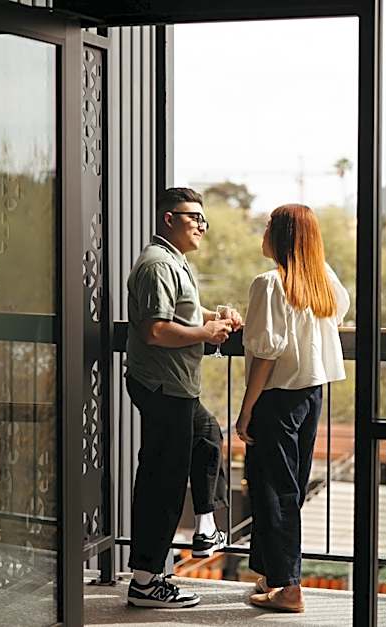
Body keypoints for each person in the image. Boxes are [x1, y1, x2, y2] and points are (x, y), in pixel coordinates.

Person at [125, 187, 243, 608]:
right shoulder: (158, 265)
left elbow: (182, 314)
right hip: (164, 388)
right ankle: (145, 581)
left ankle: (206, 526)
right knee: (163, 482)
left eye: (203, 219)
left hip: (177, 388)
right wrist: (205, 333)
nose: (202, 226)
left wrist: (215, 317)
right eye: (194, 217)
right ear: (168, 219)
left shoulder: (175, 261)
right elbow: (156, 330)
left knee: (208, 435)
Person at [236, 203, 349, 613]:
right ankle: (274, 576)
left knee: (272, 489)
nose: (263, 231)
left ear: (282, 235)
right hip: (311, 394)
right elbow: (338, 315)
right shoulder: (323, 281)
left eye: (269, 225)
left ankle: (288, 587)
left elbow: (267, 353)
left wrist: (246, 408)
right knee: (290, 487)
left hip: (277, 398)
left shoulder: (270, 284)